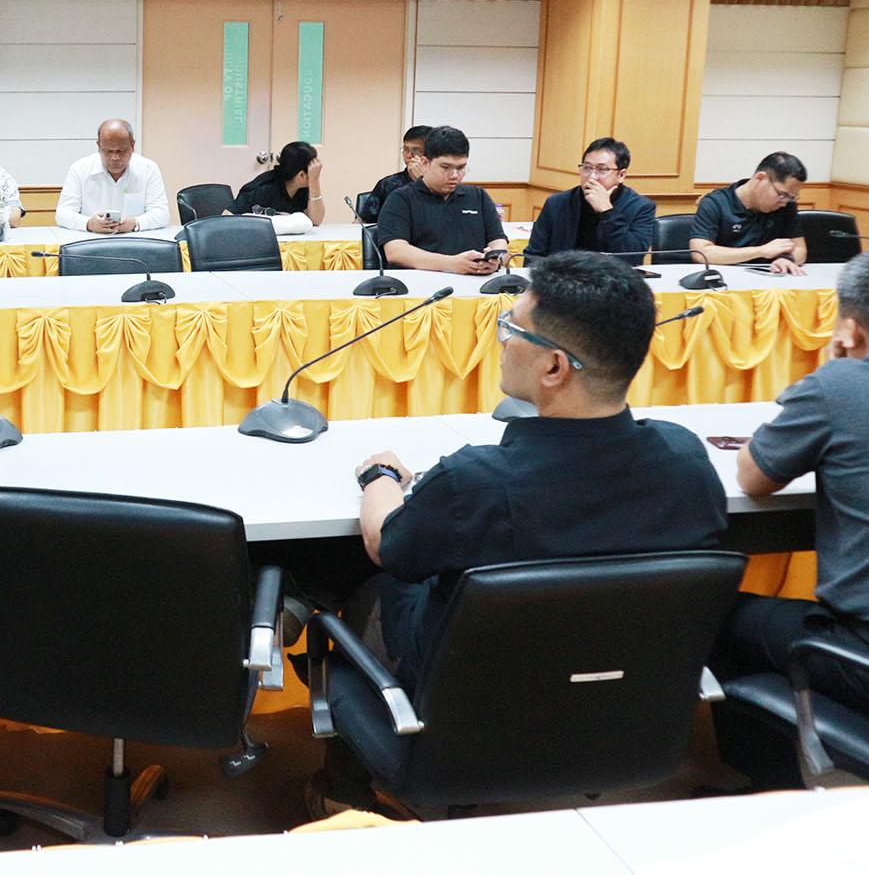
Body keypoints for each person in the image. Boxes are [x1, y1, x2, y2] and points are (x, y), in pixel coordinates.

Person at [305, 251, 728, 813]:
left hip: (463, 718)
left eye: (511, 328)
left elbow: (384, 542)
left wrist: (380, 477)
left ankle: (343, 788)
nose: (502, 340)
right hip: (612, 709)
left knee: (356, 584)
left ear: (554, 367)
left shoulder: (474, 482)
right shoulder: (686, 460)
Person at [714, 252, 869, 713]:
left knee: (713, 612)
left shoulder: (841, 386)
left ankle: (773, 753)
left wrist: (832, 370)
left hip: (863, 653)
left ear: (851, 328)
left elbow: (752, 477)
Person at [373, 125, 507, 275]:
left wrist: (495, 259)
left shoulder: (478, 196)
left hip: (476, 282)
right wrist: (451, 264)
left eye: (461, 168)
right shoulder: (401, 199)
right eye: (445, 167)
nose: (454, 175)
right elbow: (396, 252)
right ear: (425, 163)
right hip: (421, 283)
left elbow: (498, 241)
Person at [526, 137, 656, 258]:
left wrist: (607, 211)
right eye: (587, 168)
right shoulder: (557, 203)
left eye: (601, 169)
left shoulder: (641, 207)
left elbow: (633, 257)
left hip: (612, 274)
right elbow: (533, 255)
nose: (592, 176)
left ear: (621, 175)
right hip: (562, 273)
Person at [690, 152, 808, 276]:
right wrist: (760, 251)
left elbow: (800, 249)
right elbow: (700, 253)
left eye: (791, 198)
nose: (784, 203)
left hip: (771, 277)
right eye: (782, 195)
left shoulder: (786, 205)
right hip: (724, 278)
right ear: (761, 178)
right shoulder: (716, 203)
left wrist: (787, 259)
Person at [55, 118, 170, 233]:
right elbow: (62, 214)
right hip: (91, 240)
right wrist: (88, 224)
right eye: (108, 151)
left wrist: (136, 223)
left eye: (121, 151)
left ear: (132, 146)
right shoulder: (80, 169)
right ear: (98, 146)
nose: (115, 157)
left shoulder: (148, 169)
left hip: (134, 240)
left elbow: (161, 214)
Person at [229, 141, 325, 225]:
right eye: (313, 172)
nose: (316, 176)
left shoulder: (303, 189)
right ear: (302, 175)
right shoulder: (262, 189)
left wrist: (314, 183)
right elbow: (227, 218)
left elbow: (316, 221)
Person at [357, 125, 430, 224]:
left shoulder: (441, 185)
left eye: (417, 151)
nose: (409, 155)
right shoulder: (388, 184)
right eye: (405, 149)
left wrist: (422, 182)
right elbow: (363, 221)